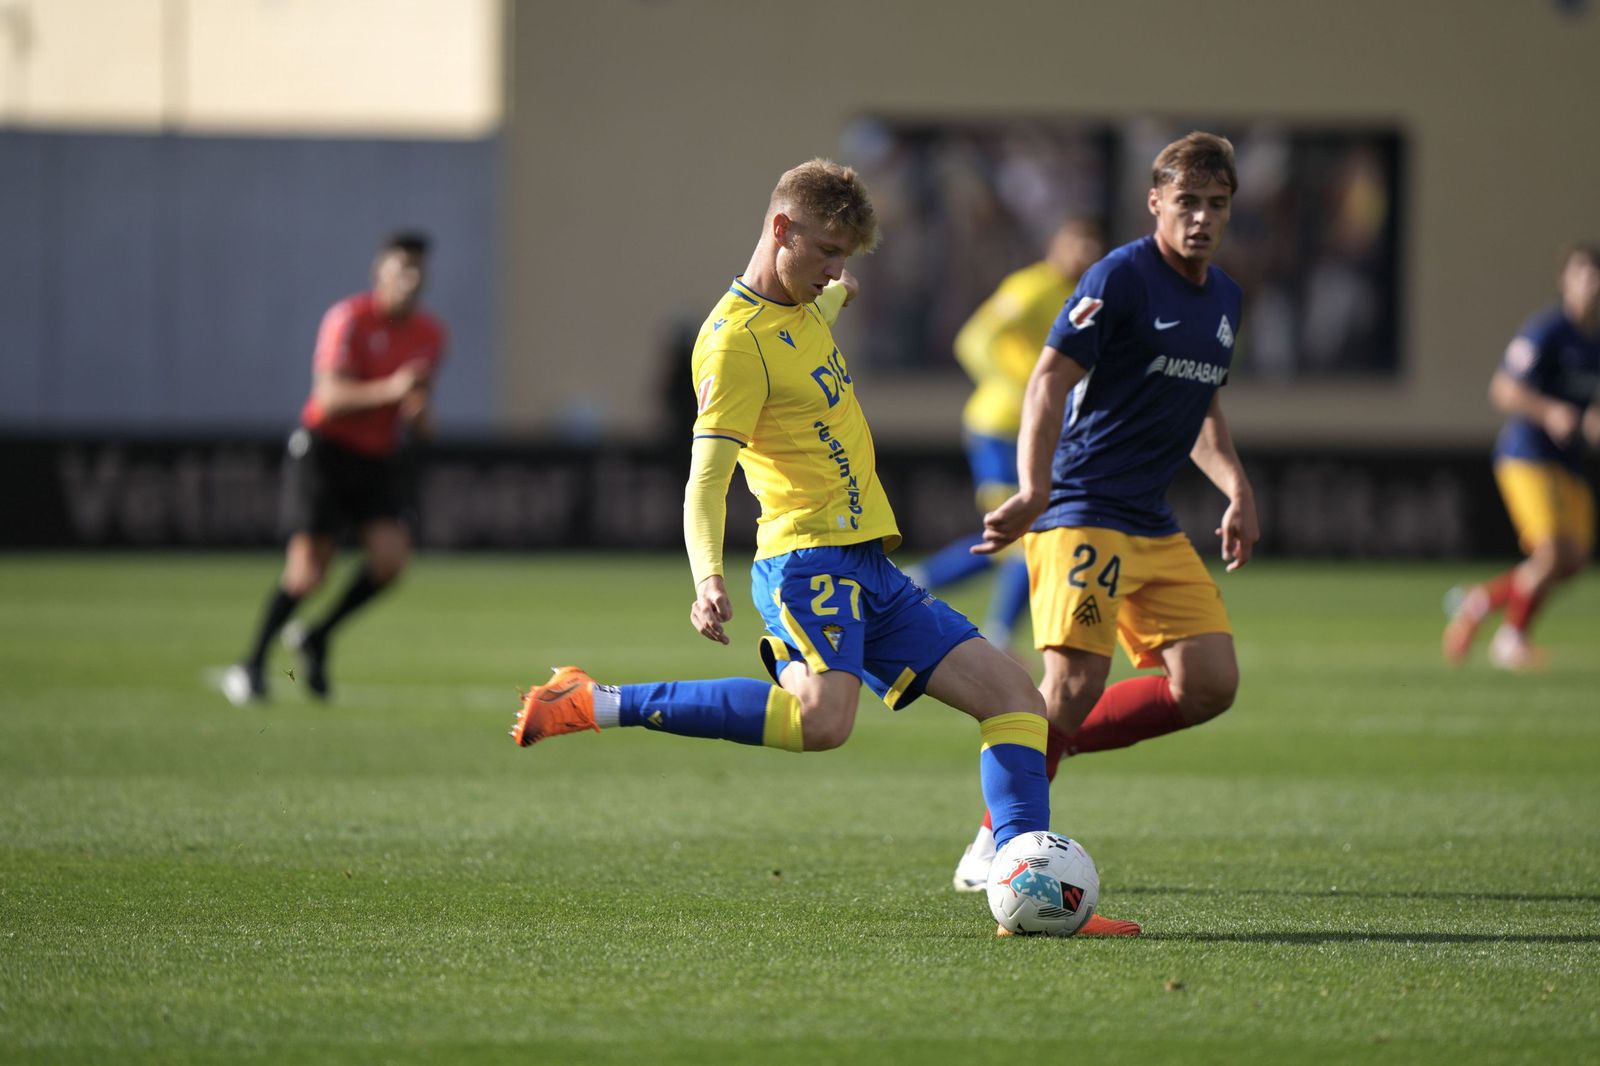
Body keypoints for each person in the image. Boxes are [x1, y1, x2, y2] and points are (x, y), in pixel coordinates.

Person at [509, 158, 1138, 937]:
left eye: (847, 258)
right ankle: (597, 702)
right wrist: (707, 576)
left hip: (869, 564)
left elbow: (816, 312)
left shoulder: (808, 304)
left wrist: (834, 289)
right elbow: (705, 481)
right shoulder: (733, 345)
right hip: (805, 562)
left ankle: (1020, 882)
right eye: (826, 253)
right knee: (823, 722)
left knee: (1017, 699)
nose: (836, 272)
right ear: (780, 230)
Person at [949, 132, 1260, 893]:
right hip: (1082, 505)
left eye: (1216, 205)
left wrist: (1236, 487)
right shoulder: (1119, 276)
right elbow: (1047, 381)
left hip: (1150, 519)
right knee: (1074, 685)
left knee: (1210, 683)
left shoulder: (1225, 297)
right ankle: (995, 841)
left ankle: (1054, 745)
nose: (1201, 219)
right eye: (1187, 202)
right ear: (1156, 202)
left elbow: (1202, 403)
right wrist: (1033, 488)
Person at [222, 231, 446, 706]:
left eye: (418, 267)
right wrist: (391, 390)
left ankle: (317, 637)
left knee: (389, 561)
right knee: (307, 573)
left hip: (377, 456)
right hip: (325, 452)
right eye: (401, 265)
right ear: (378, 271)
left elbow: (419, 412)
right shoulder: (349, 319)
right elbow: (328, 398)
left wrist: (420, 418)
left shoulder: (430, 334)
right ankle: (251, 664)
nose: (410, 276)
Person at [907, 219, 1105, 655]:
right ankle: (995, 632)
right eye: (1079, 240)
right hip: (1000, 427)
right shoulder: (1032, 287)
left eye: (1094, 243)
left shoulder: (1082, 298)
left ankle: (911, 586)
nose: (1087, 250)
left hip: (1039, 430)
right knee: (1021, 534)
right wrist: (1022, 385)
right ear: (1056, 243)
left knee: (1013, 538)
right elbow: (974, 340)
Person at [1442, 244, 1600, 670]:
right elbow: (1504, 389)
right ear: (1565, 281)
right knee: (1550, 555)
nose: (1592, 284)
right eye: (1584, 274)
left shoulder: (1595, 342)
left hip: (1567, 463)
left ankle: (1479, 602)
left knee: (1572, 562)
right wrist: (1550, 411)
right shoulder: (1547, 332)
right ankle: (1512, 640)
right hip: (1527, 456)